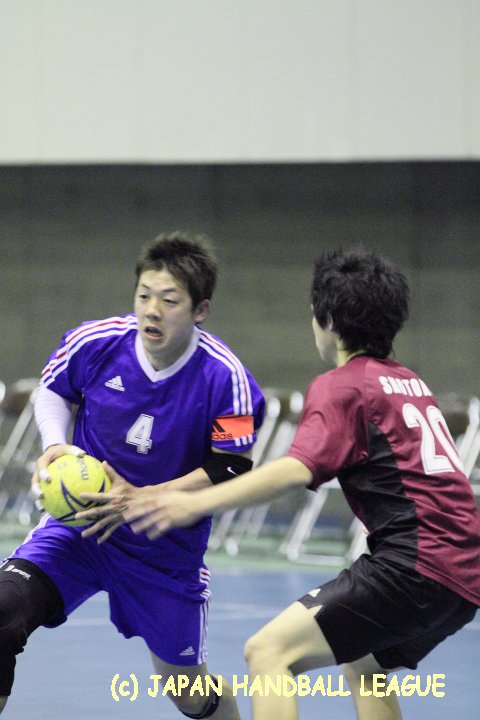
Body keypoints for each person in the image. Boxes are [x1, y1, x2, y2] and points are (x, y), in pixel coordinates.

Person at [87, 248, 480, 720]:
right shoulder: (409, 383)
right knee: (365, 663)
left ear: (326, 318)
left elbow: (295, 468)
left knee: (268, 652)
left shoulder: (342, 385)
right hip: (465, 574)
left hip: (414, 565)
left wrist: (190, 504)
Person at [0, 232, 265, 717]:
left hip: (162, 550)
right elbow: (54, 390)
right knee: (2, 611)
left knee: (188, 693)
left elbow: (232, 464)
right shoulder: (96, 342)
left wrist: (146, 498)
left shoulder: (226, 379)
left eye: (169, 301)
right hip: (78, 532)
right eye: (144, 296)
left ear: (201, 310)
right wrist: (56, 445)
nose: (151, 311)